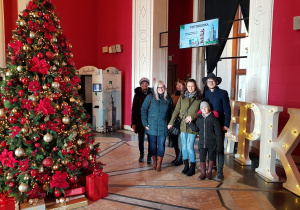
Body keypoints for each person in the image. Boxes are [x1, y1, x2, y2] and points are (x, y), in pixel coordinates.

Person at [168, 79, 201, 176]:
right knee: (184, 147)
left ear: (195, 87)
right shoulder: (182, 97)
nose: (190, 88)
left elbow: (201, 112)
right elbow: (176, 111)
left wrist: (193, 116)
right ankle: (186, 165)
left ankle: (193, 167)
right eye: (189, 86)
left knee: (190, 147)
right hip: (182, 125)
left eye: (192, 86)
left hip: (192, 126)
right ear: (186, 87)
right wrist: (171, 122)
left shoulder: (199, 98)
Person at [202, 73, 231, 181]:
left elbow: (227, 110)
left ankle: (220, 172)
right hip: (209, 125)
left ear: (217, 82)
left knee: (219, 148)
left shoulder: (223, 93)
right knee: (211, 147)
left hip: (220, 125)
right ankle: (212, 166)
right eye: (209, 81)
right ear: (206, 83)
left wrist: (226, 124)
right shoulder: (205, 94)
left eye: (213, 81)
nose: (211, 83)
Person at [141, 80, 173, 171]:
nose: (161, 89)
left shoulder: (168, 98)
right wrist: (145, 123)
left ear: (165, 88)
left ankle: (159, 163)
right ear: (156, 88)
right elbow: (143, 110)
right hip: (151, 125)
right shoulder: (150, 97)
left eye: (163, 87)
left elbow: (172, 112)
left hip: (163, 125)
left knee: (161, 144)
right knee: (152, 145)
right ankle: (154, 162)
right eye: (159, 87)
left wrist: (170, 123)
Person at [188, 101, 223, 180]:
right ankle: (203, 173)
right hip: (202, 143)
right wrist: (189, 123)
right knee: (202, 157)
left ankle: (209, 173)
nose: (203, 109)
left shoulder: (213, 119)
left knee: (211, 157)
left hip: (211, 143)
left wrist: (219, 144)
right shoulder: (199, 118)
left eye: (205, 107)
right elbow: (196, 128)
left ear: (209, 108)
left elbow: (218, 133)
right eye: (202, 108)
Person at [131, 77, 152, 164]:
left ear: (148, 85)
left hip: (150, 120)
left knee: (151, 139)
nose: (144, 85)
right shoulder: (137, 95)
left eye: (146, 83)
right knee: (141, 139)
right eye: (143, 84)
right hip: (139, 120)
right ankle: (141, 155)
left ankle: (149, 156)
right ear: (140, 85)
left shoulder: (152, 94)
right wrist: (133, 123)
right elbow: (134, 109)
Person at [169, 80, 186, 166]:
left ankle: (180, 158)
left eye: (181, 85)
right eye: (177, 85)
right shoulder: (173, 95)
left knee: (180, 140)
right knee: (175, 140)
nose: (179, 86)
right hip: (174, 121)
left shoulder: (184, 96)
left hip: (181, 121)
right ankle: (177, 157)